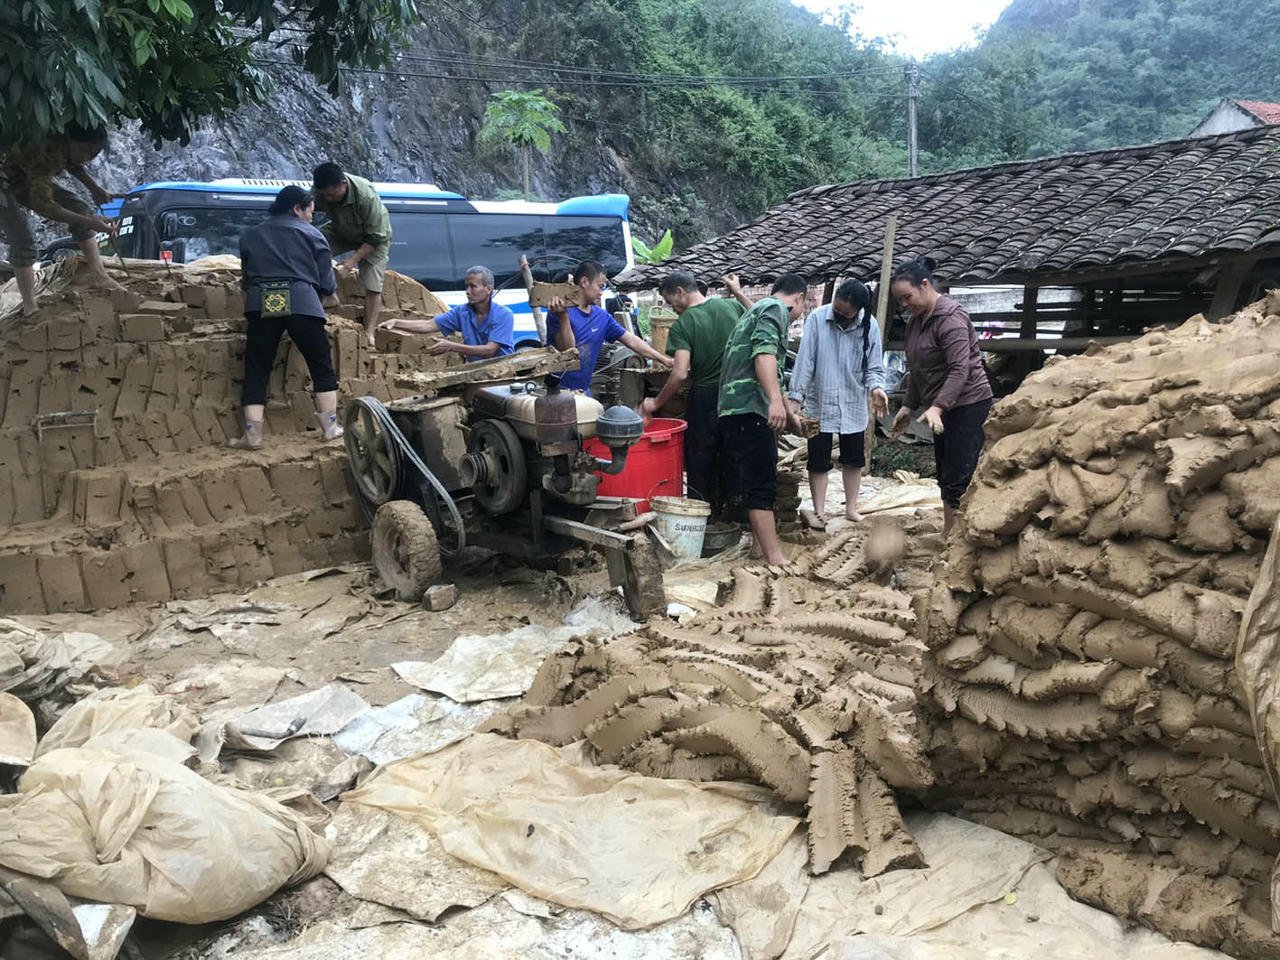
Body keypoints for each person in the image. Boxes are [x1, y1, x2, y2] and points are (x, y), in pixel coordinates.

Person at [230, 185, 342, 450]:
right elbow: (326, 280)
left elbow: (246, 279)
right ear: (297, 209)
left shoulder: (251, 236)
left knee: (257, 368)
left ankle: (252, 435)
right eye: (310, 212)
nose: (311, 217)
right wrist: (329, 295)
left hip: (261, 302)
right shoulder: (313, 235)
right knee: (320, 364)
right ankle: (330, 427)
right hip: (302, 302)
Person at [889, 256, 993, 533]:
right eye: (900, 300)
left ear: (925, 285)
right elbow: (918, 368)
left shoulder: (951, 320)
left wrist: (937, 407)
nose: (904, 305)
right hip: (941, 408)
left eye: (907, 297)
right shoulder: (916, 321)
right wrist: (908, 406)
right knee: (945, 473)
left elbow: (960, 370)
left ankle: (960, 537)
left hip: (967, 405)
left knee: (960, 474)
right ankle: (950, 532)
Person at [717, 272, 808, 566]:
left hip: (733, 410)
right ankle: (775, 557)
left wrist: (787, 410)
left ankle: (759, 549)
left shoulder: (759, 308)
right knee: (762, 485)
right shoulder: (776, 310)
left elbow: (768, 365)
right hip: (749, 409)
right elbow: (764, 355)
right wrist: (774, 402)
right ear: (799, 299)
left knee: (753, 480)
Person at [787, 278, 889, 524]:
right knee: (818, 460)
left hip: (853, 402)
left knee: (853, 460)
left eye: (846, 313)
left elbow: (874, 366)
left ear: (858, 311)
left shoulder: (870, 326)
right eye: (837, 309)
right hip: (819, 401)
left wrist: (876, 388)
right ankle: (820, 511)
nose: (840, 314)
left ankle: (851, 508)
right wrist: (795, 398)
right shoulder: (817, 319)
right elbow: (805, 361)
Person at [642, 271, 742, 516]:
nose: (671, 307)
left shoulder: (685, 323)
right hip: (738, 395)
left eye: (669, 301)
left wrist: (656, 402)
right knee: (735, 455)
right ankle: (738, 517)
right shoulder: (732, 307)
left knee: (699, 460)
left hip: (706, 398)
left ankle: (702, 519)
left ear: (680, 292)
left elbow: (679, 373)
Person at [0, 127, 124, 316]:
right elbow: (46, 207)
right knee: (22, 239)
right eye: (84, 151)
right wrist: (90, 222)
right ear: (69, 140)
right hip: (3, 182)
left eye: (92, 154)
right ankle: (29, 306)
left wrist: (96, 189)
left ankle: (99, 275)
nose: (86, 157)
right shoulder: (43, 150)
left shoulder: (66, 147)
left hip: (23, 176)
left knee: (79, 206)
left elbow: (73, 164)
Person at [546, 260, 671, 394]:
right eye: (600, 286)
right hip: (557, 392)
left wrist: (664, 360)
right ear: (584, 282)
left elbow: (632, 341)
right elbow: (568, 351)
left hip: (583, 391)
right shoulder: (559, 312)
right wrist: (563, 316)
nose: (601, 292)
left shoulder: (602, 316)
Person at [312, 162, 392, 348]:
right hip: (341, 227)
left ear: (343, 184)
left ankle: (369, 332)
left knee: (372, 283)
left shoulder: (366, 197)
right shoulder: (320, 190)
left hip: (373, 237)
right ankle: (329, 295)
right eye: (324, 195)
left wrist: (349, 263)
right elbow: (306, 208)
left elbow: (374, 238)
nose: (328, 199)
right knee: (311, 247)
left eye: (332, 194)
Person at [378, 265, 514, 361]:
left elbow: (490, 350)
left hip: (502, 369)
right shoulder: (462, 312)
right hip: (476, 370)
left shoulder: (504, 315)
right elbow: (427, 325)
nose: (467, 291)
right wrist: (396, 322)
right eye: (466, 286)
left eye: (473, 286)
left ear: (488, 289)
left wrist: (452, 346)